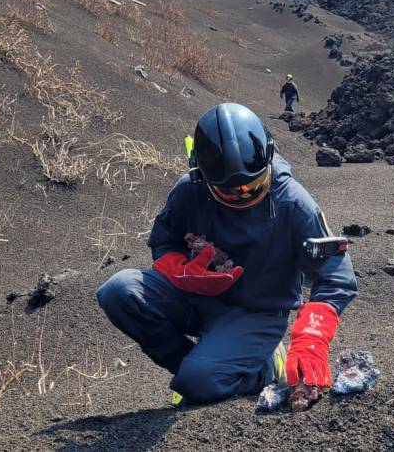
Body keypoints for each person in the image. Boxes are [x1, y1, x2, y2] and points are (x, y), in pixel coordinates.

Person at [97, 103, 356, 405]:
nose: (245, 194)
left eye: (255, 184)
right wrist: (182, 269)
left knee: (196, 384)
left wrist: (312, 336)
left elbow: (336, 273)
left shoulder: (293, 202)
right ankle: (201, 369)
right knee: (118, 291)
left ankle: (266, 366)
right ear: (204, 177)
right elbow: (165, 241)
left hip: (256, 313)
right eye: (232, 192)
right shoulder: (189, 191)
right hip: (195, 298)